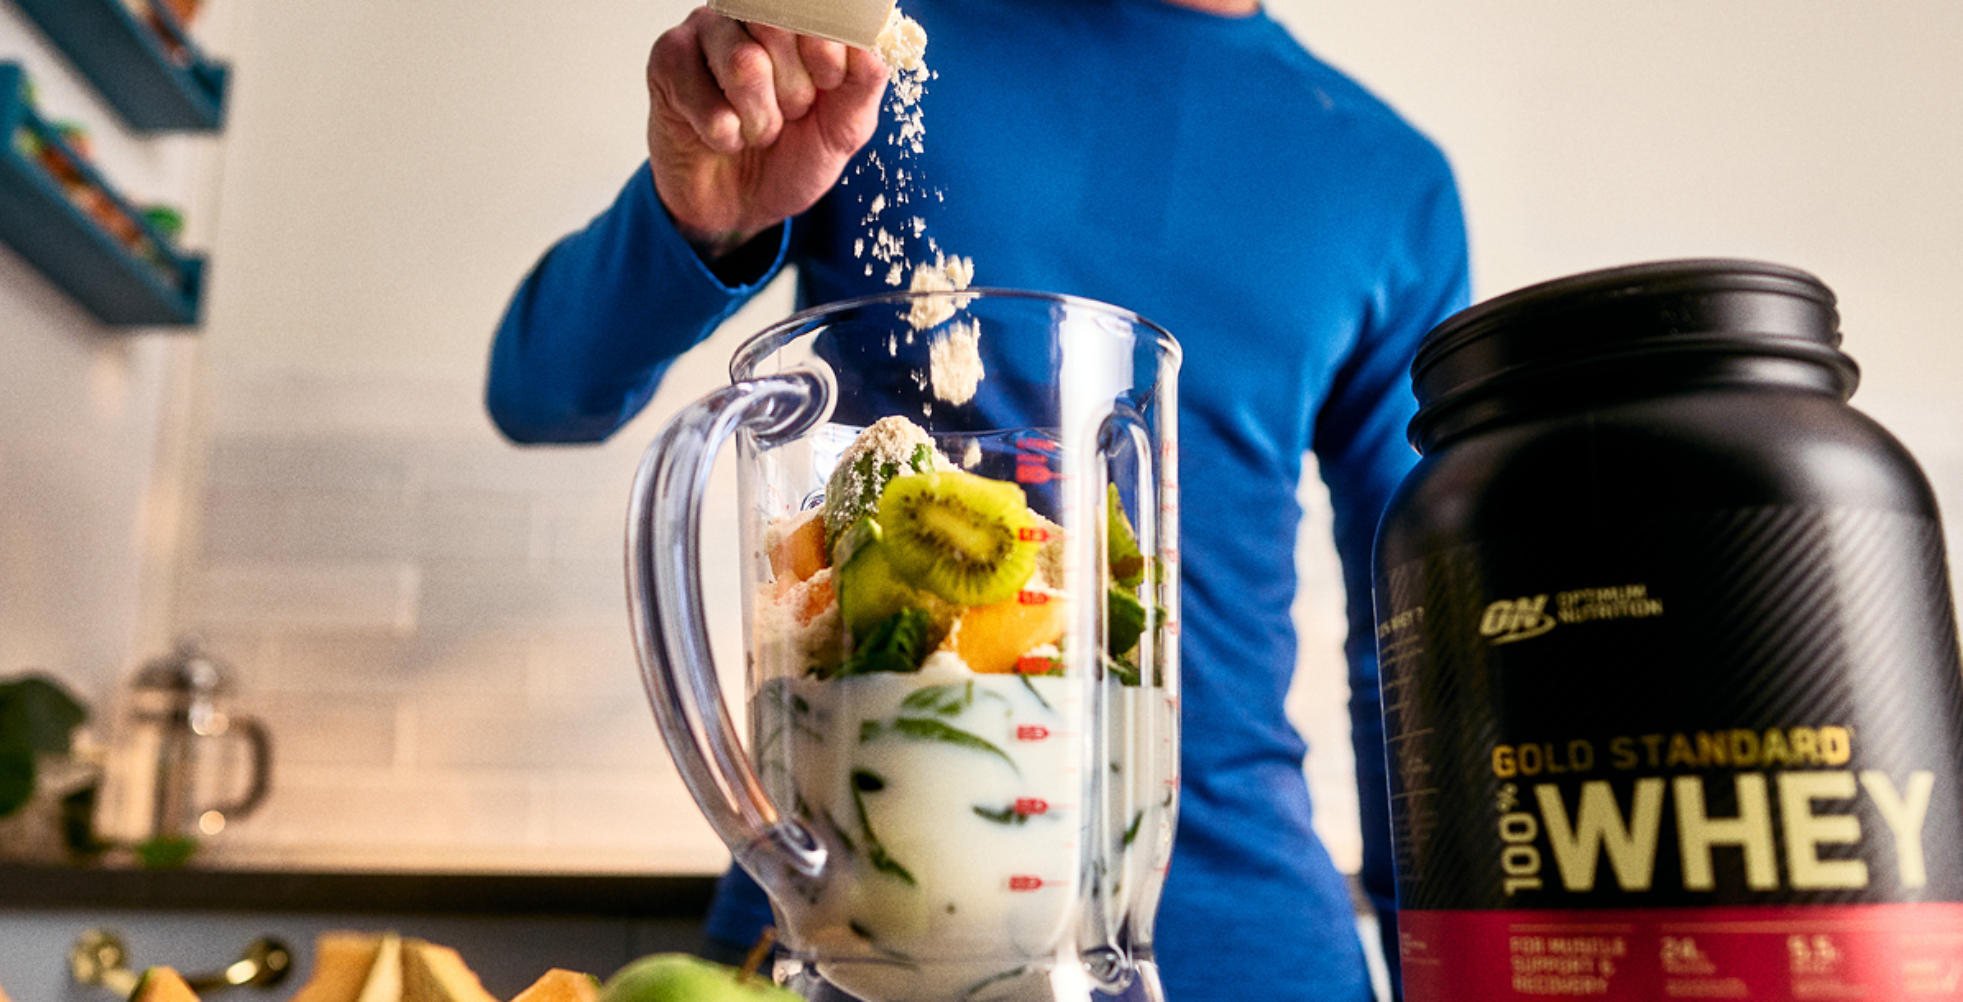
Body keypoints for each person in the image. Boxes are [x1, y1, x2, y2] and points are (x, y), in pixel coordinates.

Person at [487, 1, 1470, 999]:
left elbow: (1416, 654)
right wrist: (702, 215)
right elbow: (539, 389)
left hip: (1249, 948)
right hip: (863, 924)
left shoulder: (1391, 181)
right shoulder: (869, 48)